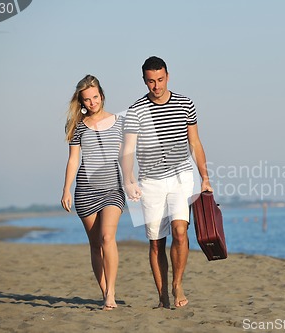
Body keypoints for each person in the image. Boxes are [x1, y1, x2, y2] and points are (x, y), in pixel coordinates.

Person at [121, 56, 213, 309]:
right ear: (144, 80)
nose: (156, 86)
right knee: (156, 242)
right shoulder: (136, 110)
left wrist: (205, 178)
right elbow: (127, 149)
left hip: (182, 176)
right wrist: (128, 180)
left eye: (160, 80)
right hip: (150, 182)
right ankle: (162, 295)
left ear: (168, 76)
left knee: (180, 232)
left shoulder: (185, 103)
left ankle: (177, 284)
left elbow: (195, 142)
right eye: (151, 81)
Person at [61, 75, 125, 311]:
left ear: (102, 95)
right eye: (87, 99)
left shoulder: (119, 122)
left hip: (113, 190)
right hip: (85, 191)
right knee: (95, 244)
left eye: (95, 97)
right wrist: (66, 189)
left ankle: (111, 293)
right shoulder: (76, 126)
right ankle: (103, 290)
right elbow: (73, 159)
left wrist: (131, 181)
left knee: (108, 238)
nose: (92, 102)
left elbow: (124, 157)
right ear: (81, 101)